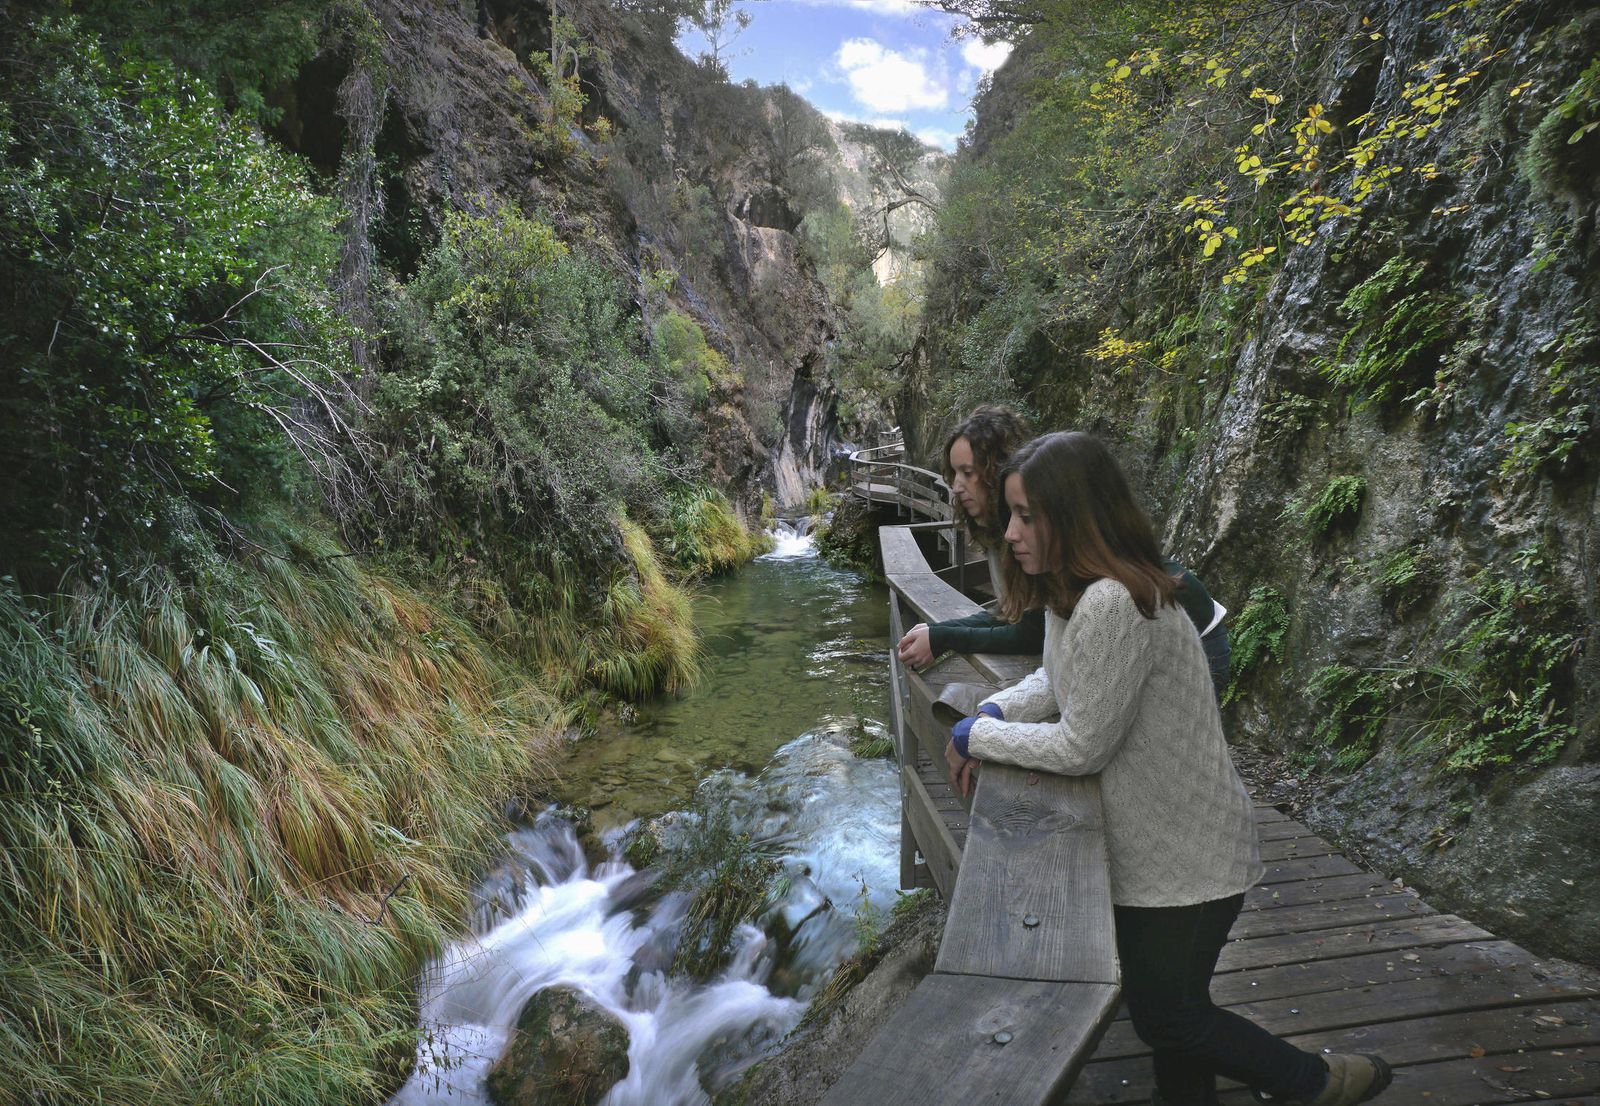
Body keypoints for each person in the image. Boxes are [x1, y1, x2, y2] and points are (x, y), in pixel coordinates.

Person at [944, 432, 1392, 1106]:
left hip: (1191, 858)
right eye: (1011, 514)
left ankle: (1319, 1083)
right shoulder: (1077, 592)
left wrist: (976, 736)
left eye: (1027, 516)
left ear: (1075, 516)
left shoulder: (1114, 603)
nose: (1010, 533)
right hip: (1164, 848)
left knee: (1168, 1016)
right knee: (1171, 1008)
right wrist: (995, 711)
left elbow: (1081, 745)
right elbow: (1058, 681)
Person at [896, 407, 1231, 697]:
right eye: (954, 473)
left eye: (968, 473)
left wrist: (945, 637)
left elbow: (1030, 633)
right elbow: (1014, 614)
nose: (956, 486)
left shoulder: (1043, 535)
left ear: (996, 469)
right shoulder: (1009, 535)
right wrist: (940, 633)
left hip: (1195, 637)